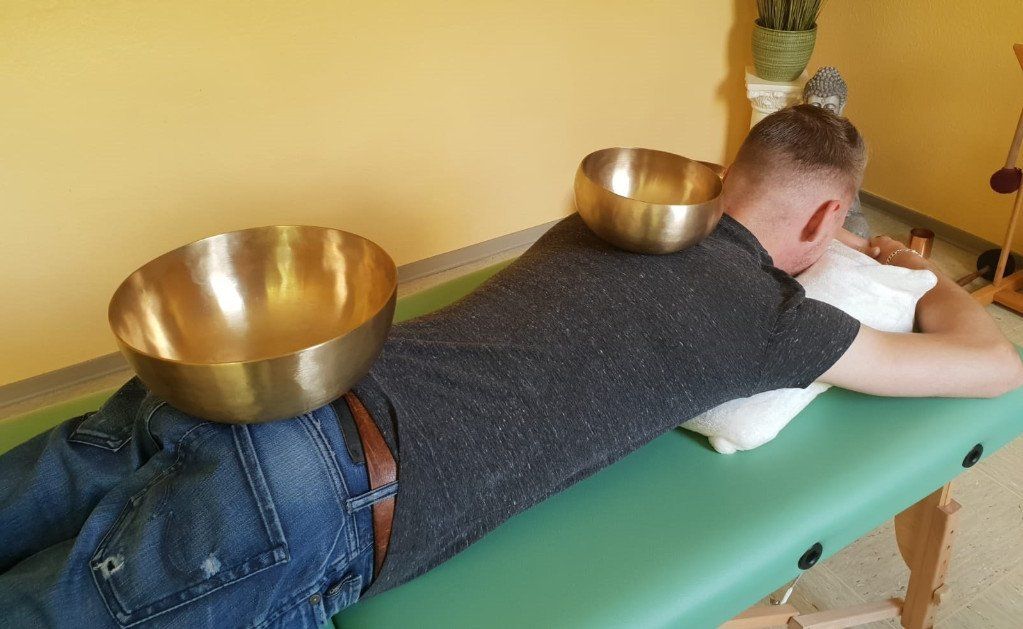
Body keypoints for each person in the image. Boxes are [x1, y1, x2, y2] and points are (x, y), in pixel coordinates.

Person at [2, 105, 1020, 628]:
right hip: (307, 494)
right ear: (827, 215)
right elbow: (993, 365)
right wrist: (919, 273)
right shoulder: (773, 319)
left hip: (237, 383)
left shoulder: (594, 223)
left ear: (721, 178)